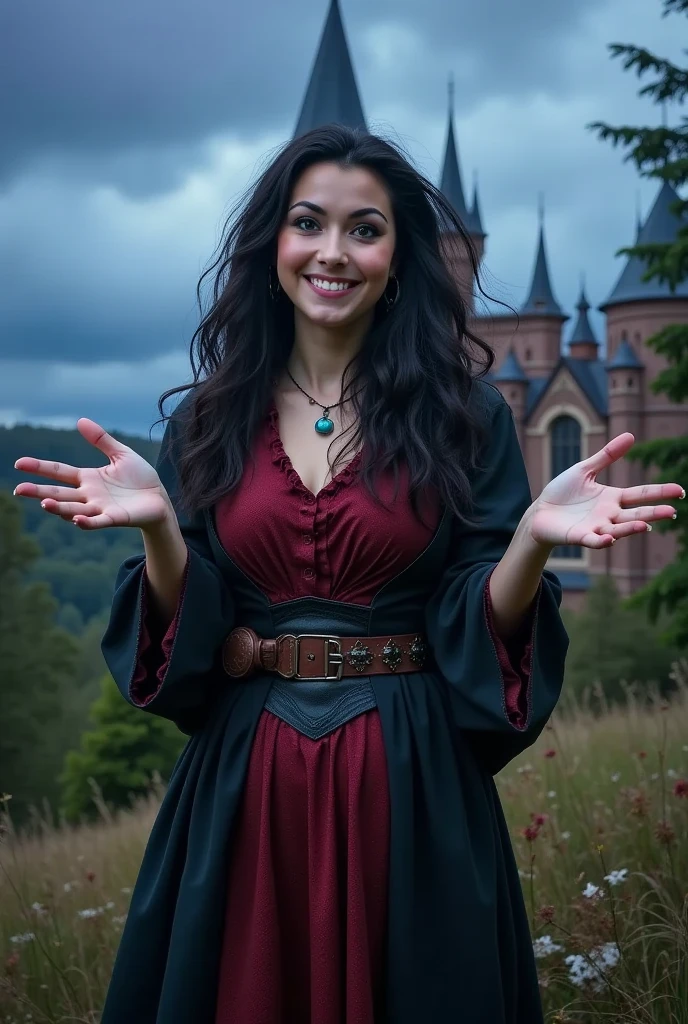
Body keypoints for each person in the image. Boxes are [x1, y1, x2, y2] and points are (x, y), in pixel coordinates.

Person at [13, 125, 684, 1024]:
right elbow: (185, 656)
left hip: (411, 785)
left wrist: (528, 541)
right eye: (309, 223)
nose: (334, 251)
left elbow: (472, 616)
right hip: (244, 789)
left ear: (399, 256)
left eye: (364, 229)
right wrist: (164, 536)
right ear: (274, 246)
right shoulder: (208, 421)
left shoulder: (468, 418)